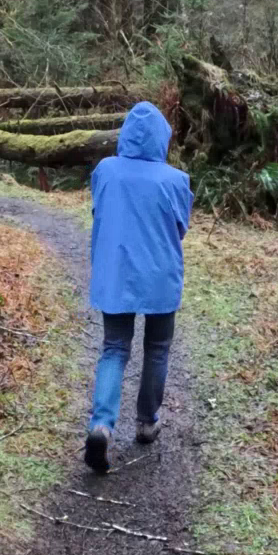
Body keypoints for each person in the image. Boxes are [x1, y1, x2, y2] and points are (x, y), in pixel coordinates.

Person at [83, 101, 193, 474]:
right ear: (163, 137)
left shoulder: (106, 171)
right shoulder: (177, 180)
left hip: (116, 273)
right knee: (157, 348)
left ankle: (101, 425)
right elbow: (180, 229)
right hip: (161, 276)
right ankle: (147, 422)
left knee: (114, 348)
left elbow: (99, 214)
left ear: (125, 134)